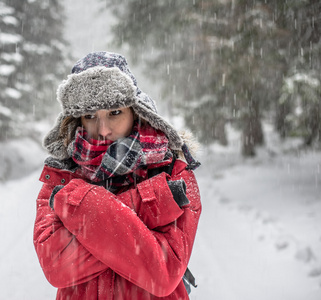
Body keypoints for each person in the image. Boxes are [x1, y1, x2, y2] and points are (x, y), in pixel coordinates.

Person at [33, 51, 201, 300]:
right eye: (90, 116)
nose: (103, 129)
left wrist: (80, 202)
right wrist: (146, 205)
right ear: (77, 119)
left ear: (135, 110)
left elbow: (163, 273)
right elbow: (57, 265)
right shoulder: (61, 175)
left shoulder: (172, 170)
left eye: (114, 112)